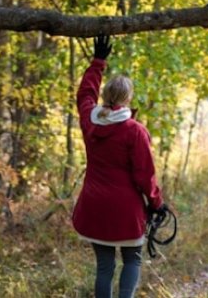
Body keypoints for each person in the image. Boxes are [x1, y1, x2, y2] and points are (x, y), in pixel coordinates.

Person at [71, 35, 166, 298]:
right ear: (127, 98)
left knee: (104, 267)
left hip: (94, 206)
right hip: (126, 210)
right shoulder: (134, 131)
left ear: (106, 95)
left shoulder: (90, 120)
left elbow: (85, 94)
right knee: (132, 260)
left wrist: (98, 62)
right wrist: (156, 204)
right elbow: (145, 175)